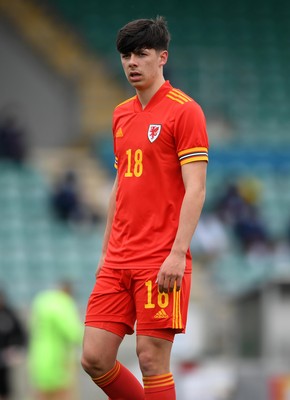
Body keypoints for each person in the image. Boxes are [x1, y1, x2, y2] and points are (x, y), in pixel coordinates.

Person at [81, 16, 209, 400]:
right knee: (94, 357)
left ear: (162, 57)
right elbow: (121, 185)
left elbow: (196, 188)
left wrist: (176, 253)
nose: (132, 62)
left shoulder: (185, 111)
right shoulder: (121, 114)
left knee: (151, 359)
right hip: (119, 257)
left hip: (160, 257)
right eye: (126, 55)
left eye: (141, 53)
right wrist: (106, 251)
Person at [28, 281, 83, 400]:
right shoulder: (63, 303)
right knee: (62, 394)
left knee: (41, 393)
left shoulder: (41, 300)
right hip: (58, 357)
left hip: (38, 355)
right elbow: (73, 333)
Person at [0, 288, 27, 400]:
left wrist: (16, 349)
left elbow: (21, 334)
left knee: (5, 387)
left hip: (5, 359)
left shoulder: (9, 314)